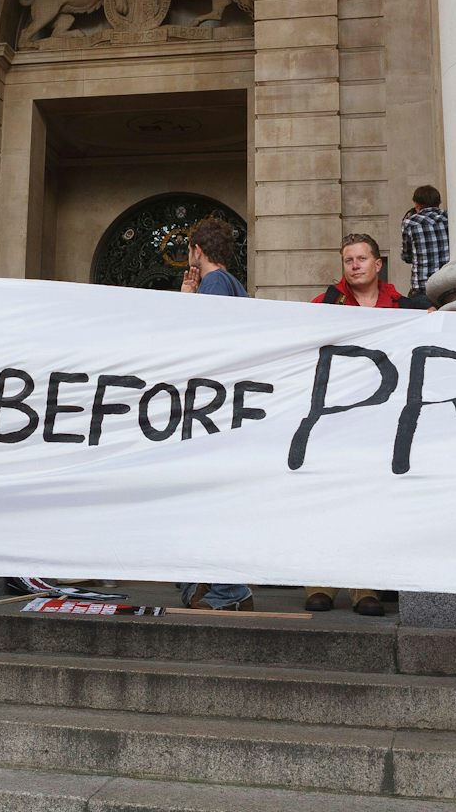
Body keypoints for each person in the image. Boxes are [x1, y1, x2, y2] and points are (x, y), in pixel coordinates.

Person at [302, 233, 418, 616]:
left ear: (378, 263)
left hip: (382, 421)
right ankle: (320, 583)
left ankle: (364, 586)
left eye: (361, 258)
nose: (354, 265)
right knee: (328, 500)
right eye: (348, 259)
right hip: (335, 419)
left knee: (370, 502)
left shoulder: (403, 306)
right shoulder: (325, 304)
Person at [176, 216, 255, 613]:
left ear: (197, 251)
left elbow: (205, 341)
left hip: (212, 409)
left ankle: (225, 589)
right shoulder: (231, 285)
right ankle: (215, 587)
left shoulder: (216, 284)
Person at [399, 185, 450, 298]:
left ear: (417, 204)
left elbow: (406, 257)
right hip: (447, 283)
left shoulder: (410, 222)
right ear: (438, 202)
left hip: (422, 287)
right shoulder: (449, 218)